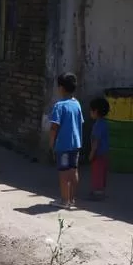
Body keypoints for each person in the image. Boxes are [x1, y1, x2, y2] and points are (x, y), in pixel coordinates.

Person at [48, 72, 83, 210]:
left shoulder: (59, 106)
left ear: (61, 88)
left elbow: (54, 128)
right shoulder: (77, 104)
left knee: (63, 173)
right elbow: (80, 123)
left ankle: (64, 200)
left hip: (63, 146)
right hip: (76, 145)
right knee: (73, 171)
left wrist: (51, 144)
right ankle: (72, 199)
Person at [89, 97, 111, 201]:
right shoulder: (105, 123)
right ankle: (101, 191)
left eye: (91, 110)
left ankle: (97, 194)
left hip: (98, 154)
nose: (90, 113)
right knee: (102, 173)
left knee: (97, 173)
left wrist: (91, 154)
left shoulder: (97, 125)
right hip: (105, 154)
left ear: (96, 111)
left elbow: (95, 142)